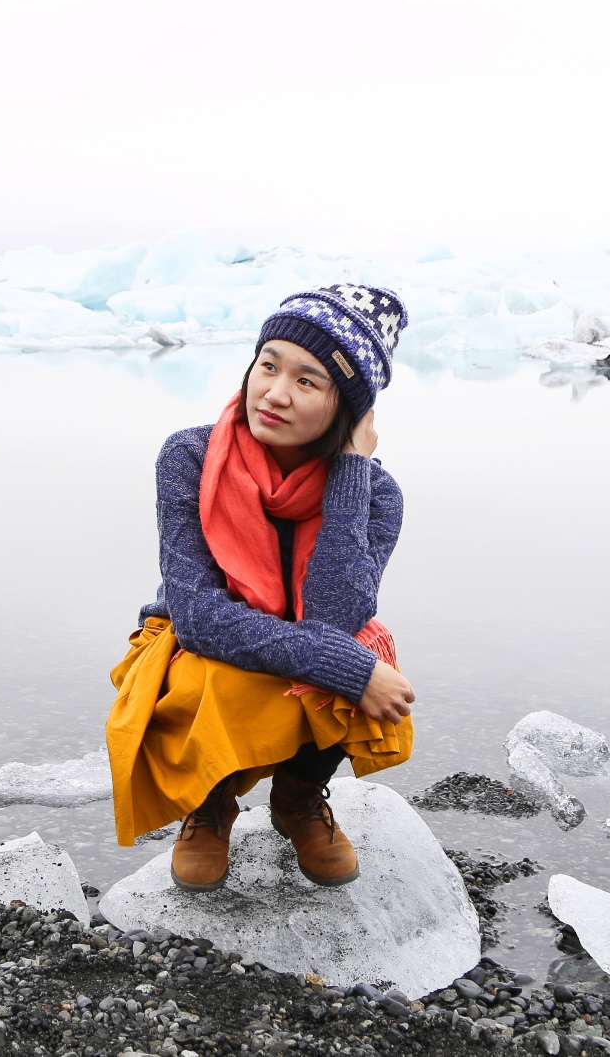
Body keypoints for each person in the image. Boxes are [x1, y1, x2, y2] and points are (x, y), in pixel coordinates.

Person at [106, 284, 417, 892]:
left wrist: (349, 473)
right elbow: (198, 616)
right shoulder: (191, 456)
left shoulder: (377, 492)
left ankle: (297, 801)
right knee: (222, 672)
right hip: (191, 642)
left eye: (308, 382)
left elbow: (337, 613)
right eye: (268, 366)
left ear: (347, 409)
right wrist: (347, 666)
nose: (274, 393)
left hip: (302, 633)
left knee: (369, 649)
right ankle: (212, 804)